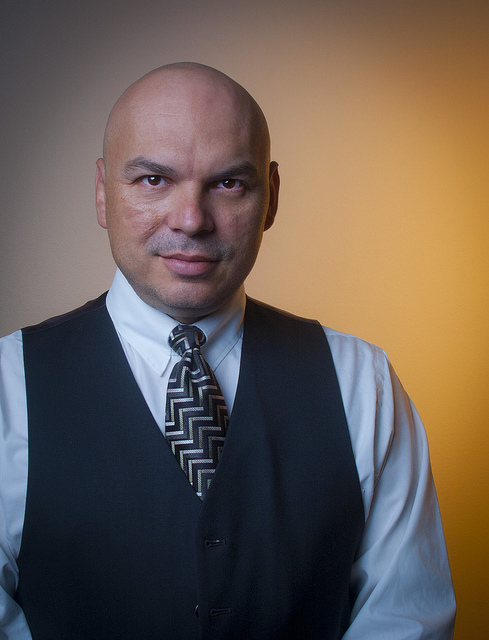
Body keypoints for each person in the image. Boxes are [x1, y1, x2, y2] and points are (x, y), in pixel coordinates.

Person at [0, 62, 455, 639]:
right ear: (101, 192)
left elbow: (406, 620)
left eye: (228, 184)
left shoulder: (363, 384)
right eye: (153, 180)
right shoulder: (8, 386)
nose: (191, 220)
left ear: (272, 199)